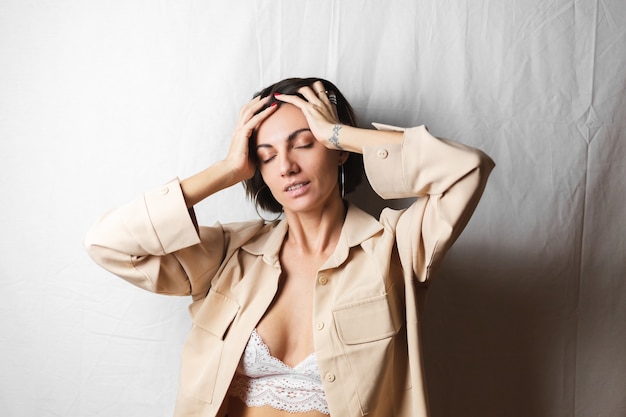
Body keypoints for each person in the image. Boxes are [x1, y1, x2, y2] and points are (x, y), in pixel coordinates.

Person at [85, 77, 495, 417]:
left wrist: (339, 132)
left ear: (338, 154)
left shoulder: (396, 250)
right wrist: (226, 170)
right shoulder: (229, 254)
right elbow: (109, 244)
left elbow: (467, 170)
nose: (286, 167)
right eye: (267, 155)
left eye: (304, 142)